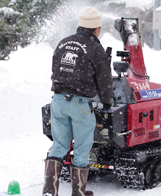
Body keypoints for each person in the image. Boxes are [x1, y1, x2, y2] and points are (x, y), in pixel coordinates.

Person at [42, 6, 113, 196]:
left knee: (59, 145)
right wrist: (106, 102)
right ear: (96, 29)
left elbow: (56, 69)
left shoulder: (63, 43)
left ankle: (49, 190)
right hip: (79, 104)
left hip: (57, 101)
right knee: (82, 148)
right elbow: (105, 80)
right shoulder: (95, 48)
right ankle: (79, 192)